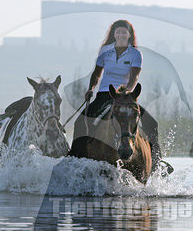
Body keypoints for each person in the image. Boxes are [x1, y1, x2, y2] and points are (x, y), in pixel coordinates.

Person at [70, 19, 173, 174]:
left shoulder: (136, 54)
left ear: (129, 35)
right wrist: (91, 88)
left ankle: (157, 163)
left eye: (124, 32)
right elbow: (97, 73)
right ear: (114, 34)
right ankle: (73, 159)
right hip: (105, 94)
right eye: (118, 32)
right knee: (80, 122)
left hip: (126, 96)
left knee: (152, 124)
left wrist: (128, 93)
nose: (121, 34)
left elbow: (135, 76)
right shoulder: (105, 50)